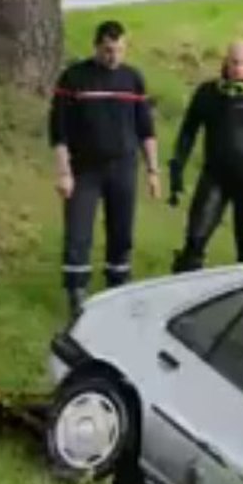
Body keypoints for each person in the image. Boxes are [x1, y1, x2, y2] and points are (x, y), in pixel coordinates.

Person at [48, 20, 160, 318]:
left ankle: (118, 284)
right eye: (109, 50)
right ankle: (76, 291)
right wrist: (63, 172)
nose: (114, 56)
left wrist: (153, 171)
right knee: (78, 231)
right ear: (97, 46)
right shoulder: (74, 78)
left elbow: (146, 130)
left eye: (120, 50)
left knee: (121, 231)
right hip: (84, 168)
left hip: (123, 167)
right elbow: (58, 131)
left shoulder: (133, 79)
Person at [168, 41, 243, 273]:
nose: (238, 68)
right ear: (225, 61)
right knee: (195, 240)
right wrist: (177, 167)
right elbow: (187, 132)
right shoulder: (207, 93)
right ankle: (184, 291)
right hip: (214, 176)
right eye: (233, 62)